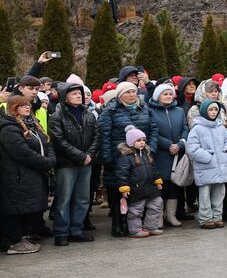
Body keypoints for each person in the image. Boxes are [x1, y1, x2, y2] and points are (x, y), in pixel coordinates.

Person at [99, 81, 155, 237]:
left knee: (138, 193)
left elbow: (153, 129)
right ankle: (118, 224)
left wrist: (152, 150)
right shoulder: (110, 111)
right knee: (118, 194)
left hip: (141, 158)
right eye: (127, 92)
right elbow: (104, 136)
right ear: (119, 95)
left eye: (133, 92)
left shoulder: (145, 109)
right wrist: (107, 159)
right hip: (118, 159)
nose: (131, 95)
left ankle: (135, 225)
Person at [0, 94, 54, 254]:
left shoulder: (32, 125)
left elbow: (47, 142)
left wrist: (50, 158)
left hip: (31, 174)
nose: (27, 107)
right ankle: (14, 242)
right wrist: (47, 162)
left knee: (27, 208)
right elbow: (22, 153)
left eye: (28, 105)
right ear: (13, 108)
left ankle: (22, 238)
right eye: (22, 105)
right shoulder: (8, 128)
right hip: (16, 176)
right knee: (16, 210)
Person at [48, 81, 97, 245]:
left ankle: (76, 230)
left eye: (80, 93)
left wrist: (89, 154)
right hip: (66, 164)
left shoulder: (88, 114)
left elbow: (97, 136)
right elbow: (59, 141)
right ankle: (61, 233)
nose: (79, 96)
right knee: (64, 199)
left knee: (83, 199)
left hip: (86, 163)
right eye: (74, 93)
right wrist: (80, 156)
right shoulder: (56, 117)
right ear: (65, 97)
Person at [147, 82, 189, 229]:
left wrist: (180, 145)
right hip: (161, 154)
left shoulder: (179, 111)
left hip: (177, 154)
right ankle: (158, 216)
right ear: (158, 96)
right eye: (165, 94)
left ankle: (171, 215)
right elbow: (153, 132)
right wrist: (167, 145)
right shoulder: (150, 111)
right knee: (160, 185)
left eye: (171, 94)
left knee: (173, 185)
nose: (168, 96)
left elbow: (185, 129)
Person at [187, 99, 227, 229]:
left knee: (219, 194)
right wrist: (208, 157)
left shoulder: (220, 127)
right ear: (204, 111)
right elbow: (192, 148)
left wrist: (226, 151)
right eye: (210, 110)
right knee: (205, 195)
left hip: (221, 167)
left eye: (215, 110)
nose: (213, 112)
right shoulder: (197, 129)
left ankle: (217, 217)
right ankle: (205, 218)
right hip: (205, 167)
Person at [115, 125, 163, 238]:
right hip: (136, 188)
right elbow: (122, 173)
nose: (142, 143)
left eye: (143, 140)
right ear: (131, 142)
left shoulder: (147, 153)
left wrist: (157, 181)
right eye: (138, 140)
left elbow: (154, 168)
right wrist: (124, 188)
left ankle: (151, 226)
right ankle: (135, 229)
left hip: (150, 186)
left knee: (156, 204)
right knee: (136, 210)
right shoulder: (125, 156)